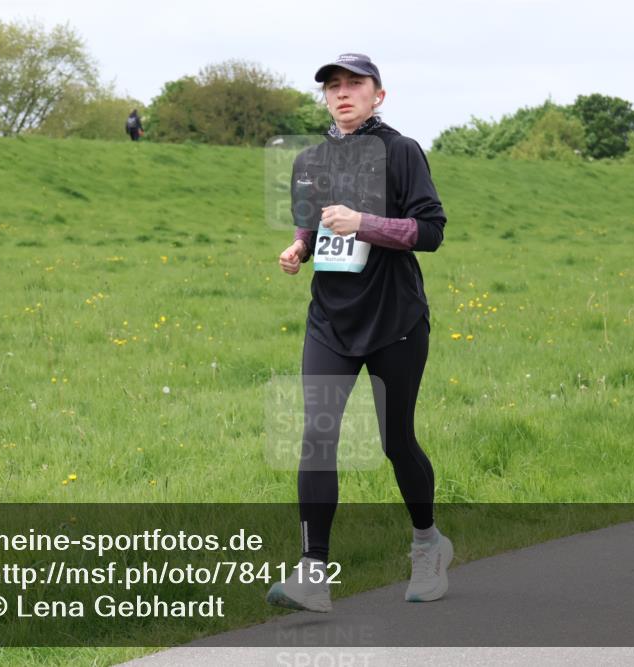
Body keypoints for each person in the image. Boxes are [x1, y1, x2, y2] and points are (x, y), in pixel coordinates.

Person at [266, 53, 452, 613]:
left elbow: (432, 230)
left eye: (355, 85)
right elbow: (315, 218)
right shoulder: (312, 158)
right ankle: (313, 575)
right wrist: (301, 245)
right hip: (331, 317)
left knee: (397, 441)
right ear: (325, 97)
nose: (343, 94)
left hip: (395, 318)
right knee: (317, 438)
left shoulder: (401, 151)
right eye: (334, 87)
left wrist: (366, 223)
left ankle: (428, 545)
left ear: (379, 95)